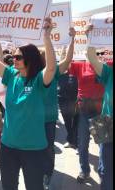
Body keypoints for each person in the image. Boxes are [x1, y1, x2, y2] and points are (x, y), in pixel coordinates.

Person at [0, 17, 56, 190]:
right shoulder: (11, 75)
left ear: (30, 59)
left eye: (18, 57)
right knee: (9, 186)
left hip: (33, 149)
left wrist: (46, 37)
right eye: (14, 56)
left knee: (34, 186)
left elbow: (52, 68)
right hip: (8, 146)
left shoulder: (39, 80)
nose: (14, 59)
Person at [67, 34, 108, 184]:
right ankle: (85, 170)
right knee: (83, 143)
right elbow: (66, 63)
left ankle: (104, 171)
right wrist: (70, 40)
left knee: (103, 144)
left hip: (100, 109)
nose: (96, 55)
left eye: (99, 52)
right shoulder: (80, 65)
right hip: (84, 109)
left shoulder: (107, 65)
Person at [42, 28, 76, 189]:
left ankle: (47, 173)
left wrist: (72, 39)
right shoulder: (26, 72)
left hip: (48, 118)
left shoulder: (54, 71)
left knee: (48, 148)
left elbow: (68, 59)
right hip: (31, 120)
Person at [86, 25, 113, 190]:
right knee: (106, 170)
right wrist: (91, 37)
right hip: (109, 126)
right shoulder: (110, 72)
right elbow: (92, 57)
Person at [57, 47, 79, 150]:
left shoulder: (76, 71)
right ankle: (72, 140)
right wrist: (64, 49)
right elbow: (63, 59)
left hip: (75, 101)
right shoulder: (60, 72)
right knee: (67, 122)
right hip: (63, 101)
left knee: (76, 122)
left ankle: (74, 140)